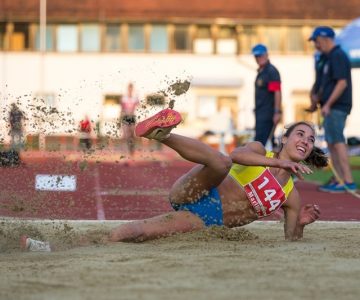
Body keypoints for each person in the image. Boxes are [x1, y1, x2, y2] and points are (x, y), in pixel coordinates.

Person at [21, 108, 328, 251]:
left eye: (311, 138)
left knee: (138, 233)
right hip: (197, 190)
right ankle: (162, 134)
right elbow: (237, 156)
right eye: (299, 133)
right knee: (221, 160)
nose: (305, 139)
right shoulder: (260, 150)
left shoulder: (290, 196)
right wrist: (278, 162)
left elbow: (291, 244)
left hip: (207, 219)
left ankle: (44, 246)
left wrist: (299, 223)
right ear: (285, 137)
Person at [308, 26, 356, 193]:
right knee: (332, 142)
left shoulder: (337, 56)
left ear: (325, 39)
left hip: (337, 106)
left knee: (337, 141)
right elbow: (325, 84)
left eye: (317, 40)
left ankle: (348, 181)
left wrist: (327, 104)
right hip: (330, 106)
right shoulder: (327, 58)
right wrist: (316, 101)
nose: (315, 44)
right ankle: (339, 179)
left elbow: (342, 83)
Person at [251, 44, 282, 149]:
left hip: (267, 114)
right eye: (256, 56)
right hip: (261, 113)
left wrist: (277, 112)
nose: (258, 58)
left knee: (259, 144)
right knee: (267, 143)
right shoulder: (262, 72)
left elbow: (277, 92)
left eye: (260, 55)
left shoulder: (270, 71)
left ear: (266, 55)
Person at [120, 82, 140, 155]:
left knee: (132, 134)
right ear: (128, 89)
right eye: (129, 88)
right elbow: (121, 109)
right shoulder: (124, 98)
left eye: (131, 88)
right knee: (125, 134)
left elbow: (138, 106)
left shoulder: (135, 98)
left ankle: (132, 149)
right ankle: (126, 150)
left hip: (132, 117)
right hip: (126, 116)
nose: (130, 90)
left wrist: (138, 98)